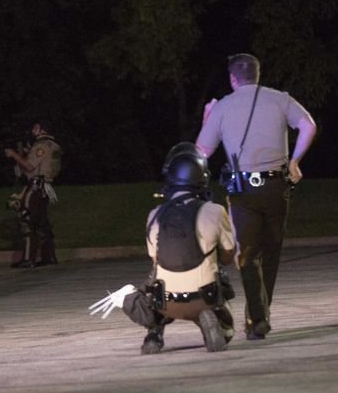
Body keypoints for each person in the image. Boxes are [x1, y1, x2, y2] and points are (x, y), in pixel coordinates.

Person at [196, 53, 316, 340]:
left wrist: (207, 118)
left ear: (232, 77)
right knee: (271, 251)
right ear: (257, 74)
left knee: (248, 255)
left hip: (243, 190)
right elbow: (309, 125)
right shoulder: (280, 98)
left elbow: (201, 151)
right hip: (277, 186)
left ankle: (258, 317)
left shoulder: (223, 106)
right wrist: (294, 161)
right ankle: (259, 316)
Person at [89, 142, 237, 354]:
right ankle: (212, 319)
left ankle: (154, 333)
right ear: (201, 177)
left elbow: (155, 257)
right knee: (223, 311)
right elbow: (228, 255)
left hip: (166, 303)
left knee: (152, 283)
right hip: (206, 297)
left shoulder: (155, 215)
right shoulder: (214, 211)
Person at [4, 120, 62, 268]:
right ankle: (49, 257)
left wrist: (14, 155)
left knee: (27, 219)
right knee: (42, 222)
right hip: (46, 187)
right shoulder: (54, 145)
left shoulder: (41, 145)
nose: (33, 130)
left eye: (36, 127)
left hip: (36, 187)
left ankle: (28, 258)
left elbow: (29, 166)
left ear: (42, 129)